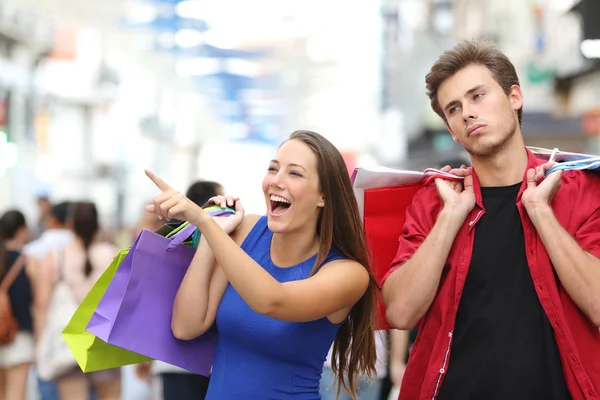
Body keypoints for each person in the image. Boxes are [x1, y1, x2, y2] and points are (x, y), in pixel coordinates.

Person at [382, 40, 600, 400]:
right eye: (454, 108)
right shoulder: (436, 201)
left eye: (477, 96)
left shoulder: (581, 190)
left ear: (515, 97)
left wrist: (541, 212)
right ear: (451, 129)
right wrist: (451, 217)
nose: (467, 112)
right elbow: (401, 311)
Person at [145, 130, 378, 399]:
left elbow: (272, 301)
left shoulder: (348, 273)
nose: (276, 181)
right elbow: (186, 326)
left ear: (323, 196)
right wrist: (213, 234)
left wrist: (205, 223)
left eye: (295, 173)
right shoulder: (244, 231)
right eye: (273, 169)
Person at [136, 180, 225, 400]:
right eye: (219, 200)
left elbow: (150, 303)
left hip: (175, 363)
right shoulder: (219, 245)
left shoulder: (168, 242)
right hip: (201, 362)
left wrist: (143, 357)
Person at [31, 202, 121, 400]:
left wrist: (40, 345)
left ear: (70, 224)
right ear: (98, 224)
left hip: (68, 345)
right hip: (104, 342)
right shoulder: (113, 254)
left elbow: (41, 305)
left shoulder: (56, 257)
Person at [22, 201, 75, 400]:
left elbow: (40, 302)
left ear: (51, 219)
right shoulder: (86, 245)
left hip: (50, 331)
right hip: (85, 331)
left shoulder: (32, 251)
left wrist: (38, 340)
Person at [0, 210, 33, 400]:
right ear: (20, 230)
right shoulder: (26, 261)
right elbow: (37, 301)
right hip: (18, 336)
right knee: (16, 395)